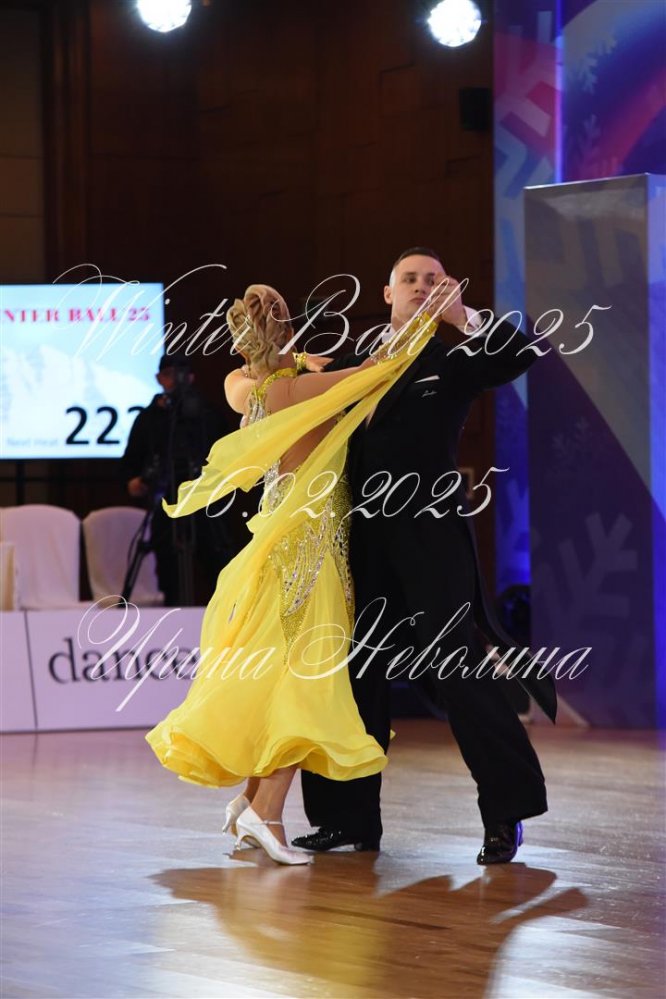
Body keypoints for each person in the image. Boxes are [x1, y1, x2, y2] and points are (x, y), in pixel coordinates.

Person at [145, 283, 441, 865]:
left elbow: (284, 369)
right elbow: (378, 370)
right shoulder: (299, 386)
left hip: (279, 544)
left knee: (279, 672)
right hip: (310, 547)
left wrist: (293, 353)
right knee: (305, 678)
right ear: (287, 331)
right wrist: (426, 319)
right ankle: (268, 813)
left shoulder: (243, 386)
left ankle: (252, 802)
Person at [292, 248, 557, 865]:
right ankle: (346, 819)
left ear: (447, 290)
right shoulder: (354, 363)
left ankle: (506, 813)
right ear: (387, 293)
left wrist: (463, 317)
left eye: (432, 279)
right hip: (360, 541)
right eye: (408, 278)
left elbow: (518, 356)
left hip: (431, 540)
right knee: (352, 675)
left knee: (458, 672)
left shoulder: (454, 358)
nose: (420, 285)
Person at [120, 352, 238, 605]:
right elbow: (131, 461)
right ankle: (173, 613)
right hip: (166, 498)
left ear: (192, 377)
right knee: (167, 561)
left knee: (217, 557)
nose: (176, 380)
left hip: (204, 500)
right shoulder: (149, 417)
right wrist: (135, 481)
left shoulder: (207, 414)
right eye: (169, 374)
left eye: (181, 374)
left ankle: (226, 615)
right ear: (159, 378)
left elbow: (228, 452)